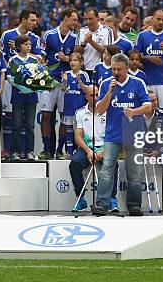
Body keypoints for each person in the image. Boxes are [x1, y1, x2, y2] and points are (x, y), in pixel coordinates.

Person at [92, 53, 151, 217]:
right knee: (106, 169)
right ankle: (102, 205)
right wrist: (109, 93)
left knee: (134, 172)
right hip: (112, 135)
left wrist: (134, 111)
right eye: (113, 69)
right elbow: (100, 110)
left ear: (126, 69)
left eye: (119, 69)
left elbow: (148, 107)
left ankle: (134, 206)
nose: (116, 72)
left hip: (133, 134)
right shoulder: (105, 84)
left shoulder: (138, 83)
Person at [69, 87, 119, 212]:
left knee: (113, 163)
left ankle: (112, 199)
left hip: (105, 147)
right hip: (86, 148)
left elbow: (112, 135)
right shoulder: (79, 113)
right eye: (92, 95)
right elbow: (78, 137)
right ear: (85, 96)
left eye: (97, 94)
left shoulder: (108, 112)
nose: (96, 97)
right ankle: (81, 199)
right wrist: (89, 151)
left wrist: (103, 150)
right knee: (74, 164)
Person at [39, 8, 79, 160]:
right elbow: (42, 57)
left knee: (65, 116)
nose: (75, 23)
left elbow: (76, 59)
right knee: (46, 115)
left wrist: (67, 60)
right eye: (74, 19)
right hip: (49, 81)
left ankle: (59, 149)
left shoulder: (74, 38)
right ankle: (46, 149)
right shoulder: (49, 35)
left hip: (65, 82)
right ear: (66, 18)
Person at [136, 9, 163, 113]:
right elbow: (135, 56)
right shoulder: (143, 35)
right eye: (158, 19)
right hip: (148, 80)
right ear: (152, 19)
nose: (160, 22)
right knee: (147, 111)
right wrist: (148, 58)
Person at [8, 35, 40, 160]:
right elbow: (10, 78)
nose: (28, 46)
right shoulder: (13, 60)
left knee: (30, 126)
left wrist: (33, 86)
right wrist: (21, 87)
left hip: (31, 97)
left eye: (29, 44)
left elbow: (39, 77)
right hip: (17, 96)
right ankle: (14, 151)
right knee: (16, 124)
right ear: (19, 46)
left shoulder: (34, 60)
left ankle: (29, 152)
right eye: (26, 44)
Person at [60, 53, 90, 158]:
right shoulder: (66, 74)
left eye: (75, 60)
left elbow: (87, 91)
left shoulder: (84, 75)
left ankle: (79, 151)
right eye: (71, 60)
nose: (72, 62)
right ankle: (68, 152)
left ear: (81, 63)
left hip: (80, 108)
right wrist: (64, 80)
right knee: (68, 130)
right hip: (68, 107)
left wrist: (80, 82)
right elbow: (63, 89)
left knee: (79, 131)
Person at [77, 8, 112, 76]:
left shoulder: (107, 30)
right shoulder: (82, 31)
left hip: (100, 69)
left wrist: (91, 41)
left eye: (91, 19)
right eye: (86, 19)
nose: (88, 21)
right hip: (83, 69)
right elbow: (76, 52)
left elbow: (107, 51)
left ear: (97, 18)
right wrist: (84, 43)